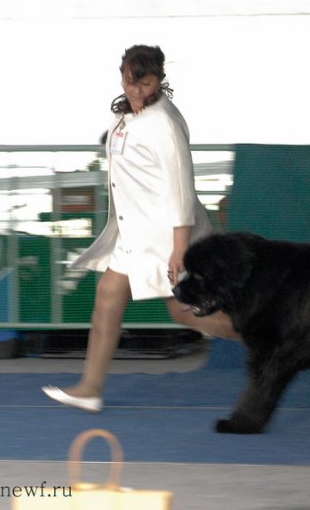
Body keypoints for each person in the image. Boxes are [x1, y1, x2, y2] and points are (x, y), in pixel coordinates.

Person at [43, 45, 239, 413]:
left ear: (159, 80)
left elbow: (182, 190)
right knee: (107, 297)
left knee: (185, 313)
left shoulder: (164, 123)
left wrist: (180, 250)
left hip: (167, 238)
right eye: (129, 81)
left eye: (144, 83)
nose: (135, 89)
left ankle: (269, 336)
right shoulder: (126, 115)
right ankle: (90, 388)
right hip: (134, 236)